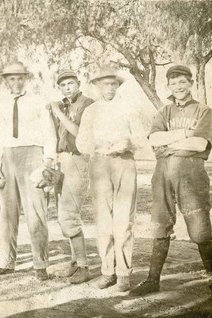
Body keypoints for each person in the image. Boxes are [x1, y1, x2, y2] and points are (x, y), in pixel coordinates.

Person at [130, 65, 212, 305]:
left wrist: (169, 144)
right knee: (160, 222)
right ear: (168, 86)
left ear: (190, 83)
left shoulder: (203, 110)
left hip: (191, 173)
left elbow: (200, 144)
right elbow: (153, 139)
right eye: (173, 83)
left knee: (200, 229)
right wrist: (183, 134)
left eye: (182, 82)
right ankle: (153, 279)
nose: (178, 87)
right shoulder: (164, 111)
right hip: (162, 173)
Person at [76, 64, 144, 291]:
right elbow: (81, 143)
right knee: (104, 220)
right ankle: (107, 271)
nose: (109, 88)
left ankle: (124, 274)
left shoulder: (129, 107)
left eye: (113, 83)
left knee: (124, 220)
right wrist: (100, 146)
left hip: (124, 163)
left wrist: (127, 144)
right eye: (104, 84)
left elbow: (141, 139)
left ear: (118, 85)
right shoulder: (90, 111)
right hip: (100, 165)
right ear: (96, 86)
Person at [0, 62, 54, 281]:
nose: (16, 82)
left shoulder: (37, 101)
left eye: (20, 78)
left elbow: (49, 132)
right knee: (7, 213)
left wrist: (47, 163)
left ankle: (40, 264)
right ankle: (6, 261)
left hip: (32, 155)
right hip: (8, 156)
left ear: (26, 79)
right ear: (5, 80)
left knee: (36, 212)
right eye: (11, 79)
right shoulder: (0, 103)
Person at [46, 70, 94, 284]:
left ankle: (84, 266)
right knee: (62, 213)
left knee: (69, 215)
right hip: (61, 159)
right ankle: (76, 262)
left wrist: (57, 111)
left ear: (78, 83)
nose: (67, 87)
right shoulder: (61, 105)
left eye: (71, 83)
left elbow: (79, 133)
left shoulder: (88, 104)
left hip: (78, 159)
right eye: (63, 84)